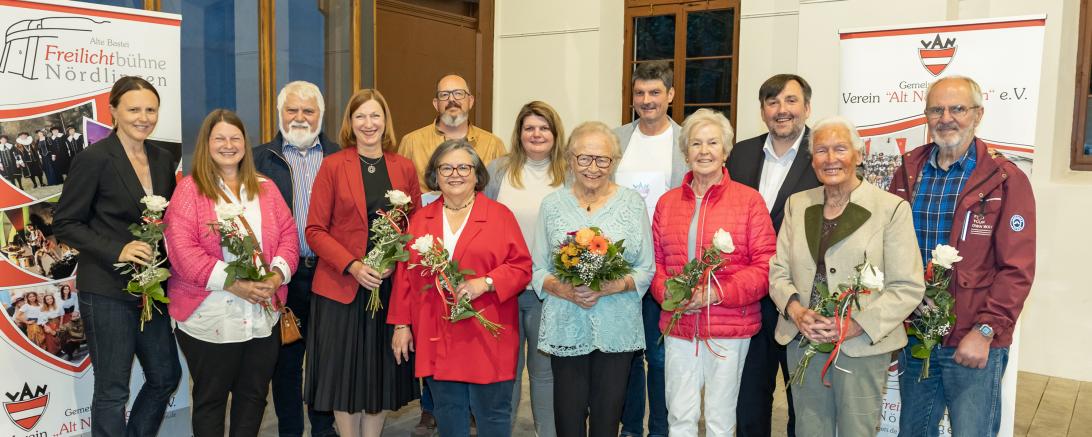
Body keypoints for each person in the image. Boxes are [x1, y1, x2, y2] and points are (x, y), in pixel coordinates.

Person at [889, 76, 1036, 437]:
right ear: (926, 116)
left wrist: (985, 331)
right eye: (936, 110)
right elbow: (887, 249)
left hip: (972, 338)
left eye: (957, 109)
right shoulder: (908, 171)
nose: (946, 118)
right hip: (916, 336)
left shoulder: (1005, 179)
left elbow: (1017, 269)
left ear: (978, 114)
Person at [768, 116, 924, 437]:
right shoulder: (797, 204)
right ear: (812, 161)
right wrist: (795, 311)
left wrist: (855, 325)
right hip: (804, 341)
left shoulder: (891, 209)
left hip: (861, 346)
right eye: (821, 150)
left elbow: (907, 286)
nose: (831, 158)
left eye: (840, 149)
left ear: (859, 154)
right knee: (809, 430)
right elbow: (778, 270)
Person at [53, 76, 182, 437]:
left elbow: (167, 219)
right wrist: (118, 249)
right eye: (134, 109)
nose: (144, 117)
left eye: (151, 110)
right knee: (112, 391)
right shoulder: (93, 159)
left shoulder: (162, 158)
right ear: (113, 111)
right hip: (106, 289)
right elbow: (65, 223)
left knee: (165, 376)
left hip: (151, 290)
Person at [163, 109, 298, 437]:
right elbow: (181, 250)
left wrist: (276, 276)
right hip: (210, 316)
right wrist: (235, 284)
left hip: (261, 314)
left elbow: (289, 235)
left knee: (253, 397)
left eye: (235, 138)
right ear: (206, 144)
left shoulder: (265, 188)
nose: (228, 145)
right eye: (219, 138)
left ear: (245, 144)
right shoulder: (190, 190)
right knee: (210, 400)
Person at [388, 139, 530, 437]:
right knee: (448, 413)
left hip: (488, 331)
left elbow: (521, 267)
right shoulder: (420, 220)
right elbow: (405, 277)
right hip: (437, 332)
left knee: (492, 415)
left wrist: (486, 283)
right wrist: (401, 325)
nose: (455, 174)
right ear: (435, 175)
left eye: (464, 167)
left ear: (477, 174)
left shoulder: (499, 216)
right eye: (446, 168)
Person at [650, 109, 776, 436]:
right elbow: (656, 265)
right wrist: (670, 294)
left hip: (728, 326)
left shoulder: (749, 202)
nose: (704, 151)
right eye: (696, 143)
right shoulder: (666, 203)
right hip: (679, 324)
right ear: (685, 152)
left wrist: (716, 293)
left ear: (726, 151)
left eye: (712, 143)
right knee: (680, 415)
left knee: (721, 420)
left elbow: (765, 266)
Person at [304, 89, 421, 437]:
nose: (368, 124)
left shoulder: (404, 167)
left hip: (387, 288)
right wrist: (353, 265)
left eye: (375, 116)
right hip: (341, 288)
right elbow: (314, 230)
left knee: (378, 375)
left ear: (385, 121)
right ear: (350, 123)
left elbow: (416, 227)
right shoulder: (333, 165)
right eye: (360, 116)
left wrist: (394, 261)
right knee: (343, 378)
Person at [531, 122, 656, 437]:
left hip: (617, 325)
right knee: (568, 417)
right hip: (566, 323)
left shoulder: (632, 203)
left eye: (603, 159)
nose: (593, 167)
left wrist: (611, 286)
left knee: (607, 418)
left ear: (614, 163)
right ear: (570, 160)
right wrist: (566, 290)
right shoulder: (552, 205)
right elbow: (538, 269)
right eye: (584, 158)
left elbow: (646, 268)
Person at [727, 74, 821, 437]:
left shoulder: (823, 153)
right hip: (749, 299)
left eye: (791, 101)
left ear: (807, 107)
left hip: (802, 299)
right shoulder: (739, 154)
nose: (782, 110)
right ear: (763, 110)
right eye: (773, 102)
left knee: (803, 400)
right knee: (749, 398)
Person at [254, 80, 340, 437]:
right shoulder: (258, 159)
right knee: (285, 363)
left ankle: (323, 430)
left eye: (308, 110)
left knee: (325, 362)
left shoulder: (340, 157)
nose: (300, 117)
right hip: (283, 278)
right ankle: (290, 432)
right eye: (292, 110)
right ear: (280, 113)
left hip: (330, 275)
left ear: (321, 115)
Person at [483, 101, 567, 437]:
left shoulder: (568, 174)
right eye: (529, 127)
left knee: (544, 373)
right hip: (503, 290)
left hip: (548, 290)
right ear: (519, 133)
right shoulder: (498, 171)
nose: (536, 134)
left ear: (555, 133)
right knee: (506, 371)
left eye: (544, 128)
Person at [613, 60, 683, 437]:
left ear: (670, 94)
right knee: (625, 355)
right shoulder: (616, 138)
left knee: (658, 357)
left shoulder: (685, 142)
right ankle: (630, 428)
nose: (647, 100)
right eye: (639, 92)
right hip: (619, 266)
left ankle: (659, 429)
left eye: (655, 92)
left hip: (665, 266)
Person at [399, 74, 506, 195]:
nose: (452, 99)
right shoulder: (411, 143)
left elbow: (501, 193)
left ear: (470, 101)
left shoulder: (493, 145)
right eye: (444, 95)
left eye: (459, 93)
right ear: (436, 104)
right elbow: (400, 193)